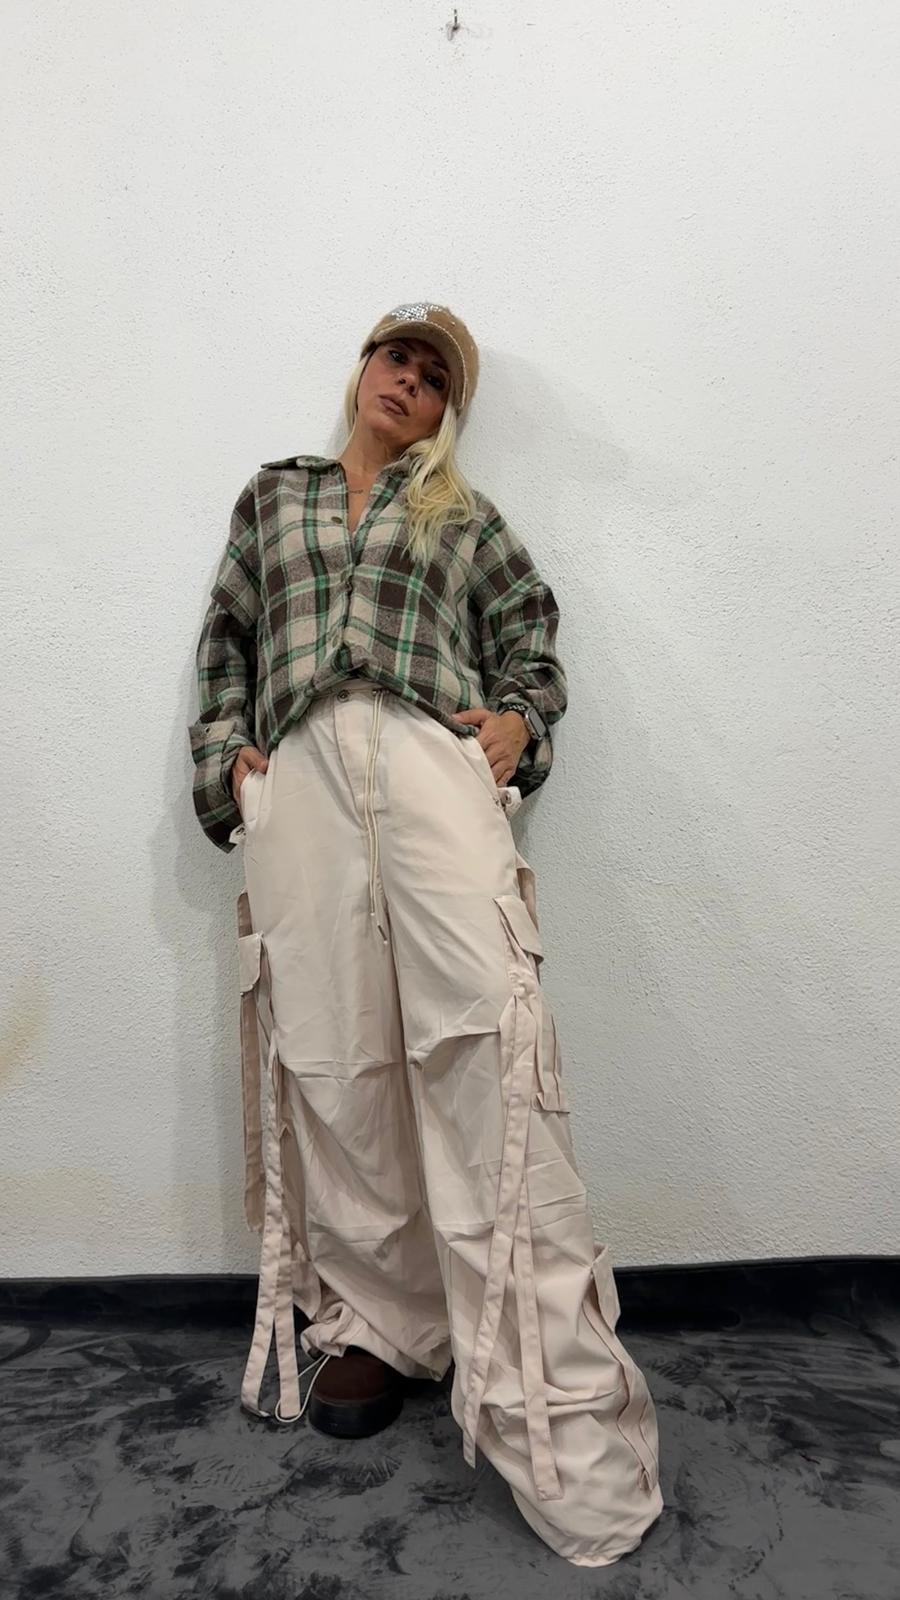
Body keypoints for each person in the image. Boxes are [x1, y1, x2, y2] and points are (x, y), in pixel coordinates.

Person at [187, 302, 664, 1567]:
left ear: (450, 412)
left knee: (486, 1048)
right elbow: (226, 642)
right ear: (363, 368)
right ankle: (381, 1326)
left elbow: (532, 634)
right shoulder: (274, 499)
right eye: (397, 356)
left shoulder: (462, 516)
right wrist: (227, 759)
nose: (409, 380)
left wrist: (519, 722)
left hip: (423, 756)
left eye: (435, 376)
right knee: (334, 1057)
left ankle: (547, 1402)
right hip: (298, 775)